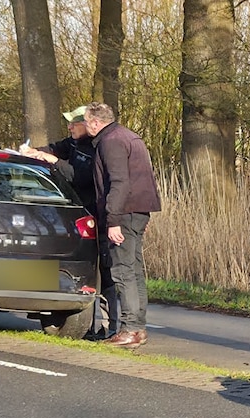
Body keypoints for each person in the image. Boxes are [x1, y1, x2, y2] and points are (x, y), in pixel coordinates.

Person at [21, 105, 119, 340]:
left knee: (105, 274)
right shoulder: (73, 143)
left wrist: (52, 161)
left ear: (87, 124)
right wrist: (33, 152)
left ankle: (112, 326)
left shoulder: (96, 149)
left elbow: (79, 175)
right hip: (75, 218)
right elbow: (55, 148)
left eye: (74, 123)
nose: (70, 127)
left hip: (95, 218)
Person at [82, 102, 162, 349]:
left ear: (95, 122)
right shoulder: (129, 136)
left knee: (123, 271)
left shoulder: (111, 141)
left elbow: (119, 183)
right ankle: (137, 328)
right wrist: (141, 213)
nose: (85, 127)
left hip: (124, 213)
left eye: (86, 122)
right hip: (137, 211)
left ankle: (129, 329)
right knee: (134, 271)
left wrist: (113, 220)